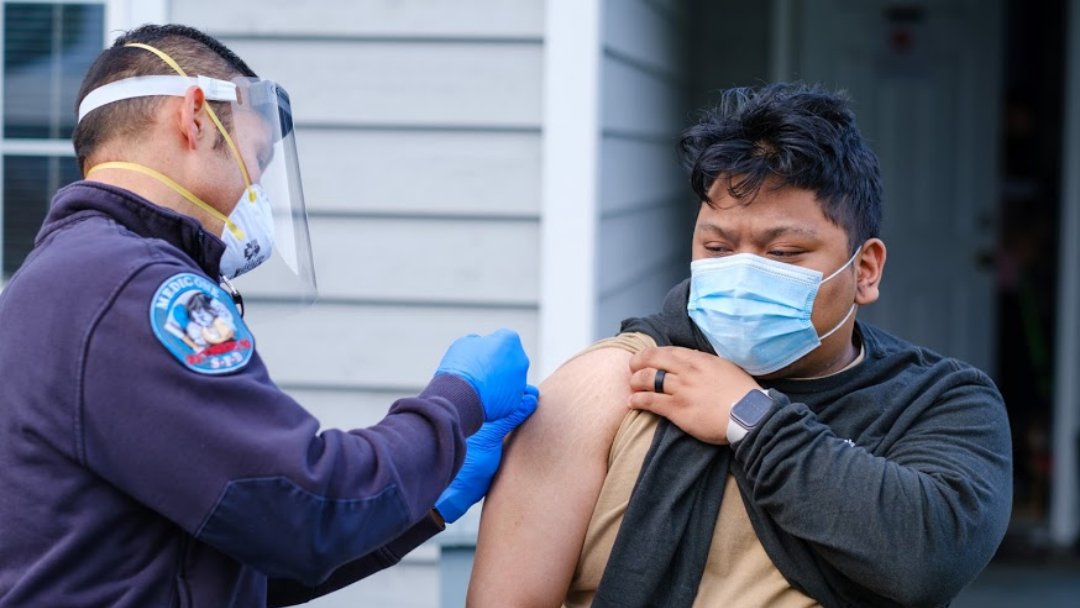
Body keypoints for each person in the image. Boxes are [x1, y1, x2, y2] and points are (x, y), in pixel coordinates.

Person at [0, 24, 537, 607]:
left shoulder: (73, 278)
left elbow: (240, 554)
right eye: (256, 157)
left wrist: (430, 505)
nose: (256, 185)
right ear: (195, 118)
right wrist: (456, 401)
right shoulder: (130, 287)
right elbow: (306, 511)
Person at [470, 83, 1012, 607]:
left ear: (865, 270)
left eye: (783, 253)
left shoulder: (938, 401)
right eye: (717, 248)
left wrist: (750, 418)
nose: (743, 274)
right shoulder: (617, 379)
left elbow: (930, 559)